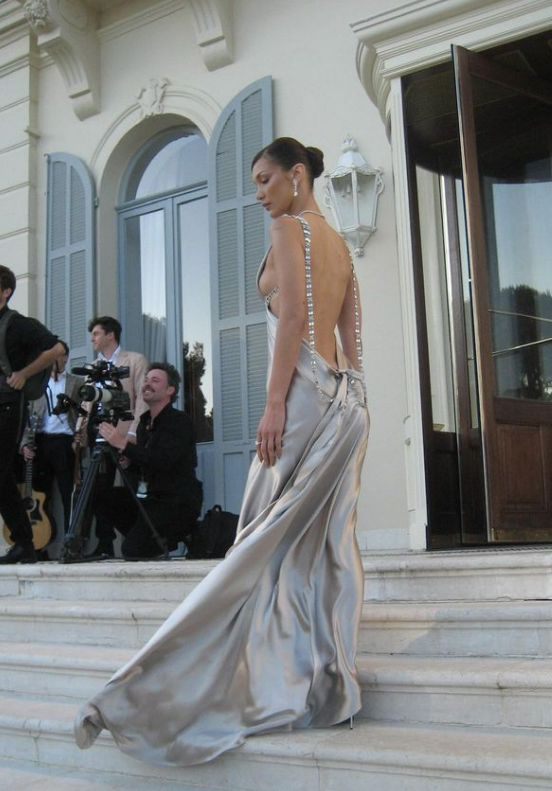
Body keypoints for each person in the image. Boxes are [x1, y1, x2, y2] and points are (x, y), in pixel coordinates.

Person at [74, 137, 370, 766]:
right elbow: (352, 328)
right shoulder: (340, 242)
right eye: (255, 181)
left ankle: (151, 690)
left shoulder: (292, 228)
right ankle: (332, 685)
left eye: (266, 179)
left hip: (303, 396)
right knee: (326, 542)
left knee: (257, 544)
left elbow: (291, 320)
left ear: (297, 175)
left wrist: (273, 403)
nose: (259, 191)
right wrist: (353, 388)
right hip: (346, 402)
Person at [89, 362, 202, 560]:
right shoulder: (144, 423)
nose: (147, 384)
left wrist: (124, 444)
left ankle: (166, 537)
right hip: (150, 500)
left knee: (131, 551)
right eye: (146, 380)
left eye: (155, 380)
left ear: (170, 390)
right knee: (103, 496)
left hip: (176, 502)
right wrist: (128, 462)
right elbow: (146, 466)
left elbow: (163, 461)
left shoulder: (179, 421)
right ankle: (149, 537)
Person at [0, 265, 66, 564]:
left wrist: (23, 374)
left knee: (1, 474)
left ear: (6, 292)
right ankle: (24, 543)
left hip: (8, 406)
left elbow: (57, 348)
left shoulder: (18, 324)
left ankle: (25, 542)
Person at [21, 343, 83, 539]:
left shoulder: (77, 382)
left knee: (68, 494)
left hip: (65, 443)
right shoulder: (37, 384)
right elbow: (27, 415)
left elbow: (85, 413)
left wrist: (81, 436)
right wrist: (24, 444)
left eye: (61, 355)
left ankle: (70, 541)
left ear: (66, 358)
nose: (57, 359)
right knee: (40, 494)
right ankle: (39, 543)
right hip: (42, 441)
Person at [86, 316, 148, 443]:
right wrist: (79, 430)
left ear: (110, 335)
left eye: (96, 334)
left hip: (123, 433)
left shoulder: (135, 360)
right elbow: (85, 403)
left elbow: (143, 399)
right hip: (95, 431)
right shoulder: (91, 368)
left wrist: (134, 432)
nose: (92, 339)